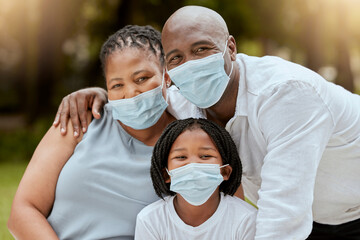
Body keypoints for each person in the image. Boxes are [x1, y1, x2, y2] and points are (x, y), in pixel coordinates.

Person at [54, 5, 360, 240]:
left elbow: (282, 214)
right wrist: (94, 95)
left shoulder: (286, 94)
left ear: (230, 47)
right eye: (175, 58)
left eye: (201, 49)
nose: (191, 65)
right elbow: (139, 101)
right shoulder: (185, 99)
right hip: (317, 219)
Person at [7, 25, 206, 239]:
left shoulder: (194, 143)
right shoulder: (80, 120)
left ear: (166, 75)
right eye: (117, 85)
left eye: (142, 79)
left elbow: (220, 219)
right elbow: (24, 211)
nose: (130, 93)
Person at [135, 118, 256, 240]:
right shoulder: (150, 220)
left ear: (224, 171)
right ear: (166, 175)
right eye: (181, 157)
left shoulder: (246, 219)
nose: (192, 164)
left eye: (205, 156)